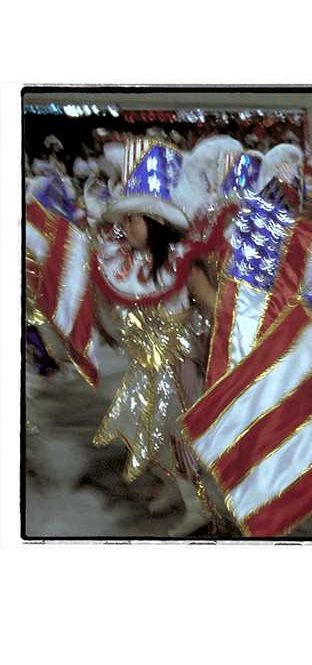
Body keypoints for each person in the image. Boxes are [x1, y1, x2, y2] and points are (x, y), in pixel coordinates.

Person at [26, 135, 231, 537]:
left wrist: (215, 349)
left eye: (131, 220)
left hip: (179, 368)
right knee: (145, 432)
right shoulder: (128, 263)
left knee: (179, 438)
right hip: (145, 369)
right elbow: (95, 288)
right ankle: (174, 489)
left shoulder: (184, 264)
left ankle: (198, 505)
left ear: (155, 223)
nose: (123, 228)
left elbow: (218, 310)